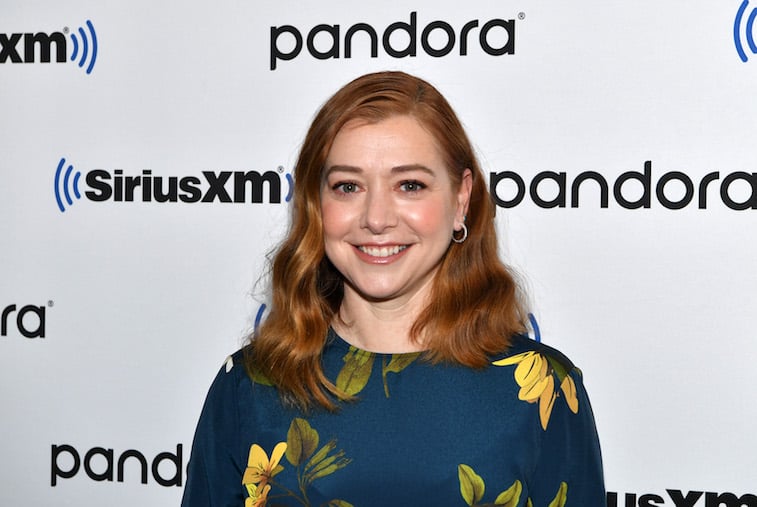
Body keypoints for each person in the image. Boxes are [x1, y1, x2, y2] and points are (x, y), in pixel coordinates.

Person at [181, 71, 605, 507]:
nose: (377, 218)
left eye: (410, 185)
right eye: (348, 186)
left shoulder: (542, 391)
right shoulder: (250, 387)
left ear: (461, 199)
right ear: (315, 204)